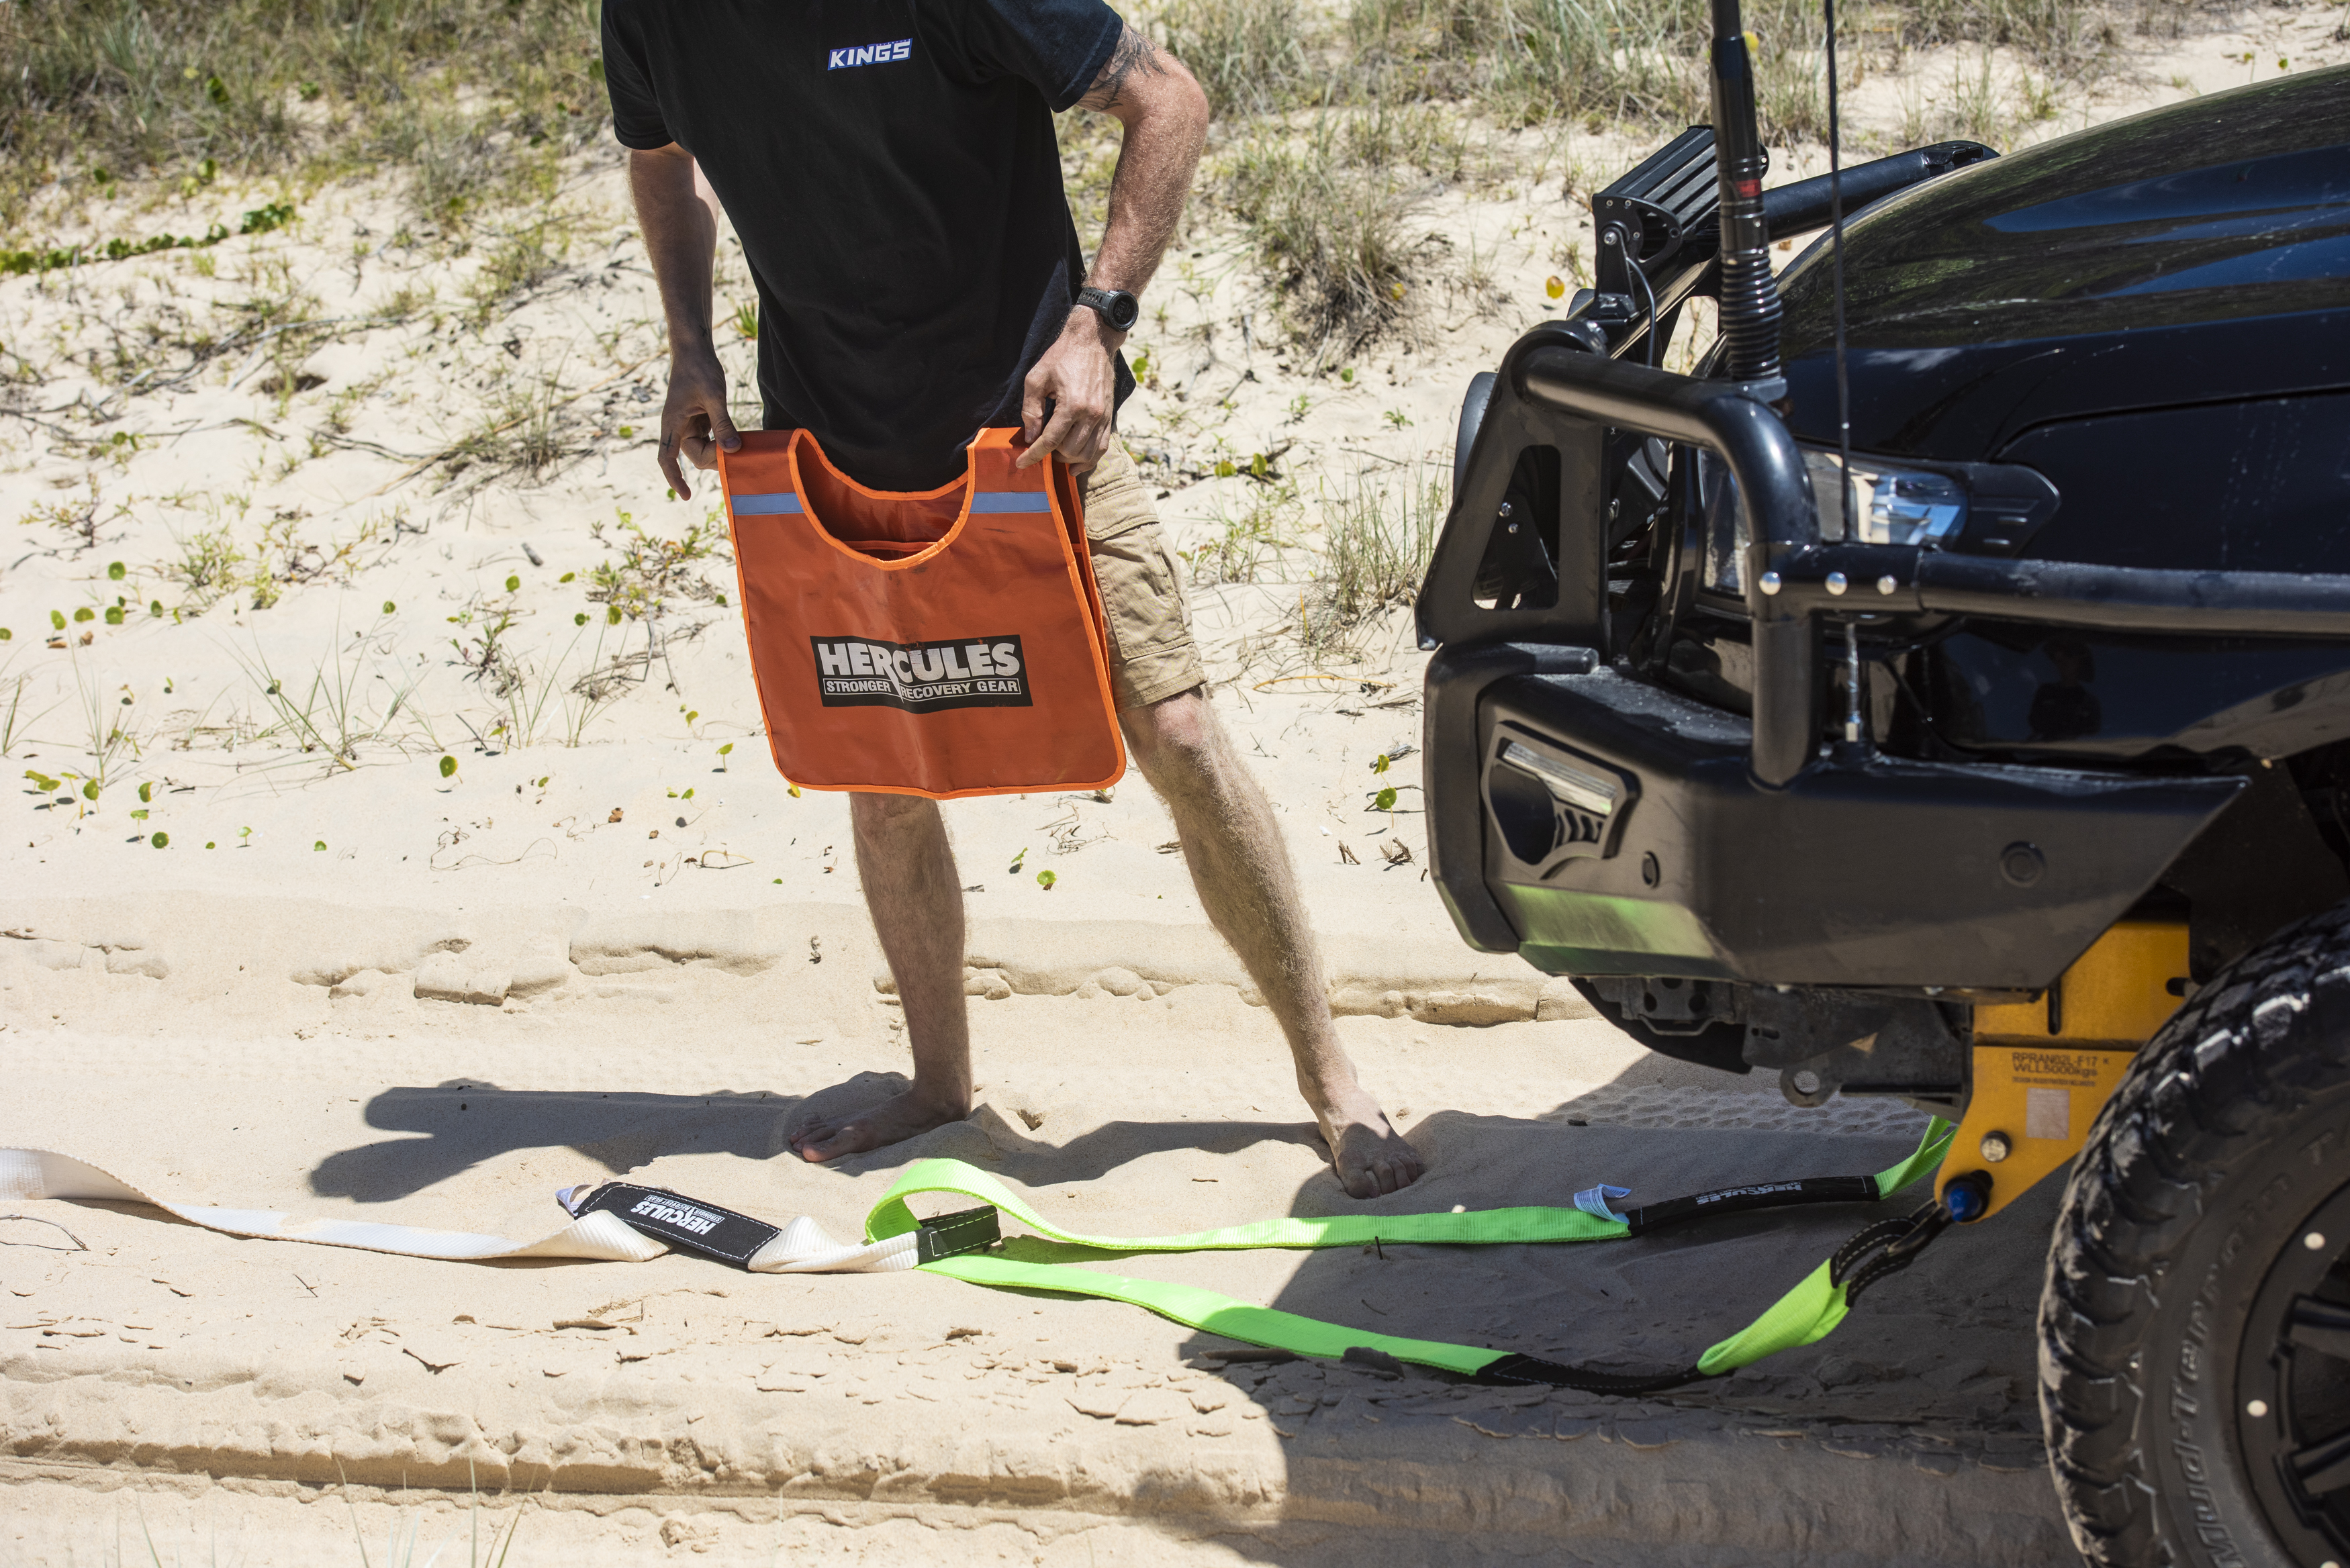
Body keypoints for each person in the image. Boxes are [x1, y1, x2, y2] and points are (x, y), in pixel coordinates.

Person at [601, 0, 1424, 1197]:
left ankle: (1332, 1079)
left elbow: (1169, 98)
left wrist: (1100, 323)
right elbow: (660, 154)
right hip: (828, 444)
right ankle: (941, 1084)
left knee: (1179, 732)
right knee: (881, 778)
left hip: (1036, 437)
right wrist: (689, 342)